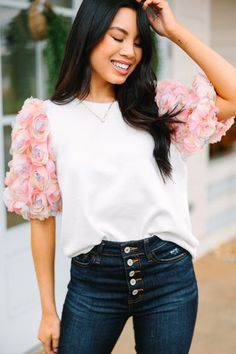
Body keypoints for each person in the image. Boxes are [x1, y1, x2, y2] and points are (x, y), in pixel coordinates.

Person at [2, 0, 236, 353]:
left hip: (167, 274)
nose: (129, 51)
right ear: (89, 35)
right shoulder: (45, 119)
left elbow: (233, 96)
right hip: (93, 282)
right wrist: (48, 311)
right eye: (118, 37)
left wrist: (175, 32)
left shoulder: (158, 105)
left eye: (139, 42)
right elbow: (41, 219)